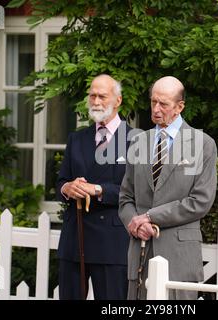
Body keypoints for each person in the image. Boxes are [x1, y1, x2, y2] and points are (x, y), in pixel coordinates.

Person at [119, 76, 217, 300]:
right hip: (141, 254)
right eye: (153, 102)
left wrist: (149, 217)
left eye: (163, 103)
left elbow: (200, 201)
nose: (156, 109)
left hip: (179, 261)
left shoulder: (202, 144)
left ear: (179, 106)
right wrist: (134, 224)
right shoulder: (139, 142)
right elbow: (125, 198)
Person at [57, 74, 133, 300]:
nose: (96, 101)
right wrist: (68, 188)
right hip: (75, 238)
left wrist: (98, 190)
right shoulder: (77, 138)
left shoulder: (135, 140)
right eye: (92, 96)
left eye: (102, 96)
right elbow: (61, 181)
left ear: (117, 100)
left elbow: (138, 193)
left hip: (111, 242)